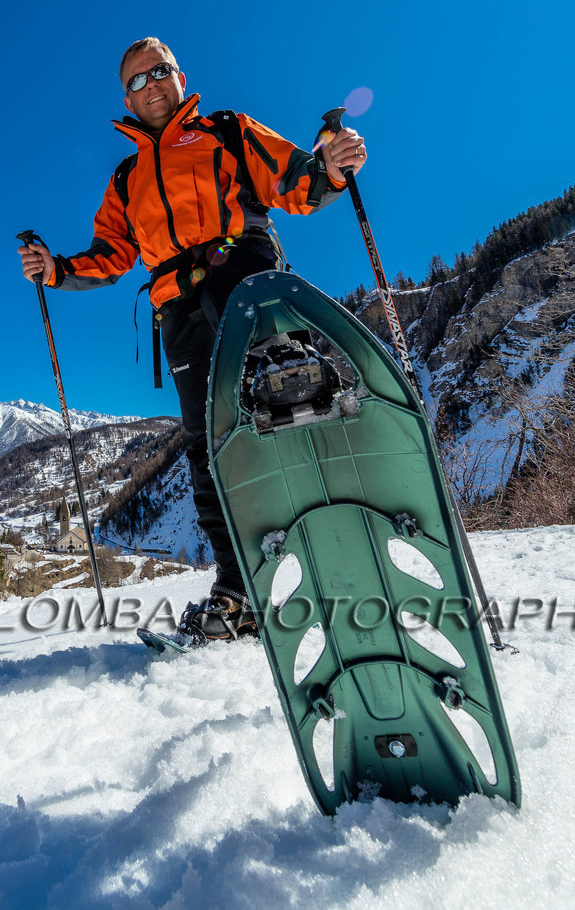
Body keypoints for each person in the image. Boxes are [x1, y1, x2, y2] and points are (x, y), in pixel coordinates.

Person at [18, 37, 366, 645]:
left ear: (180, 76)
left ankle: (287, 372)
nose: (149, 85)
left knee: (230, 287)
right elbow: (112, 254)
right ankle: (240, 594)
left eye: (159, 72)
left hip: (242, 264)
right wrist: (55, 270)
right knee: (209, 444)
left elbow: (293, 181)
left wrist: (330, 168)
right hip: (176, 306)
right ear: (124, 95)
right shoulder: (126, 178)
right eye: (135, 80)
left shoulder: (226, 131)